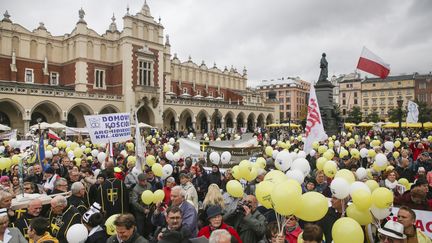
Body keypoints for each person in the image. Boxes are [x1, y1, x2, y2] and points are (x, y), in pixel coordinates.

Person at [131, 173, 153, 237]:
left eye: (146, 180)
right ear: (139, 181)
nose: (145, 181)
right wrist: (143, 210)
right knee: (140, 227)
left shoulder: (149, 185)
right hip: (140, 211)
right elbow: (134, 202)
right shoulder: (136, 189)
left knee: (149, 225)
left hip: (149, 208)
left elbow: (152, 195)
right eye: (143, 180)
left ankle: (148, 236)